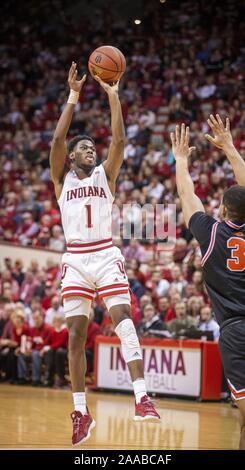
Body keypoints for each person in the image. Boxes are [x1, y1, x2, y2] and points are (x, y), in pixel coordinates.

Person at [49, 62, 160, 445]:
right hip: (76, 259)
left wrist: (113, 95)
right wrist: (74, 96)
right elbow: (56, 142)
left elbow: (120, 142)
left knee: (122, 318)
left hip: (104, 252)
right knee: (76, 335)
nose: (90, 152)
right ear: (73, 157)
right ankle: (80, 412)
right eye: (84, 148)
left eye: (92, 148)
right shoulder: (61, 180)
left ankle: (142, 396)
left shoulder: (105, 176)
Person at [170, 114, 245, 449]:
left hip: (235, 331)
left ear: (224, 213)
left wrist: (182, 160)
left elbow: (188, 195)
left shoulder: (212, 232)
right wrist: (229, 147)